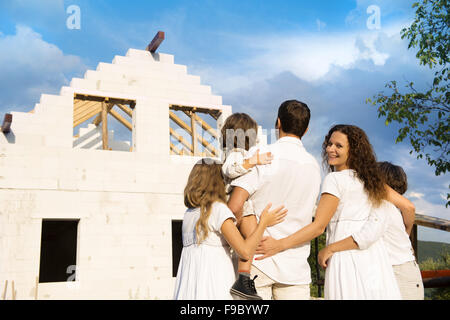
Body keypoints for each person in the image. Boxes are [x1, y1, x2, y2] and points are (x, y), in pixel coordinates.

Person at [256, 124, 413, 299]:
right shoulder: (372, 183)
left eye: (338, 146)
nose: (331, 149)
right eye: (329, 144)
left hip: (345, 259)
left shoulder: (334, 180)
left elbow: (318, 227)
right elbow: (406, 207)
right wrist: (406, 234)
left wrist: (280, 244)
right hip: (374, 260)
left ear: (353, 151)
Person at [228, 100, 322, 300]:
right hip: (295, 266)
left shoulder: (259, 155)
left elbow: (235, 205)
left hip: (256, 261)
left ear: (277, 123)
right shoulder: (313, 166)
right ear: (306, 131)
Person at [173, 159, 287, 300]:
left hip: (191, 289)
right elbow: (245, 252)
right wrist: (264, 222)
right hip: (215, 285)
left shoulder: (190, 213)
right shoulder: (217, 210)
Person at [318, 161, 424, 300]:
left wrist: (330, 249)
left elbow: (366, 236)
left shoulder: (383, 206)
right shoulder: (392, 209)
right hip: (398, 270)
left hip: (398, 273)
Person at [220, 113, 274, 300]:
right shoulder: (235, 154)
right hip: (241, 203)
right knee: (251, 241)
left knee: (250, 242)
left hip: (242, 202)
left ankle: (243, 279)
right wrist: (253, 161)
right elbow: (229, 169)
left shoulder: (237, 153)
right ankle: (243, 281)